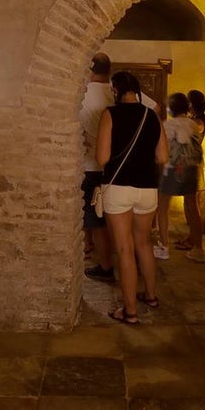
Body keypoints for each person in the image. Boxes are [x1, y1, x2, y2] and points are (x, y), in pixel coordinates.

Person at [96, 71, 167, 325]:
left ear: (115, 90)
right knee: (144, 244)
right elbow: (163, 157)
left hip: (119, 188)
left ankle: (129, 312)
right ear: (136, 91)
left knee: (125, 249)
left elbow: (102, 158)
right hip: (147, 188)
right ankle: (150, 296)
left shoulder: (110, 114)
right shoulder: (151, 115)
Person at [155, 92, 205, 261]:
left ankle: (164, 245)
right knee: (193, 207)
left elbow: (163, 150)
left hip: (172, 169)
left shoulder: (167, 125)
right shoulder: (194, 125)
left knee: (162, 206)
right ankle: (198, 248)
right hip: (191, 169)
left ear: (171, 108)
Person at [80, 53, 116, 282]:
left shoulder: (81, 94)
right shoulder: (116, 91)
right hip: (115, 166)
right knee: (110, 217)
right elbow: (155, 107)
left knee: (95, 219)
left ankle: (104, 264)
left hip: (90, 164)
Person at [183, 89, 205, 263]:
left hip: (191, 165)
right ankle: (192, 239)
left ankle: (198, 247)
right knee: (188, 204)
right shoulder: (193, 121)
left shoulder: (197, 123)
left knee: (192, 205)